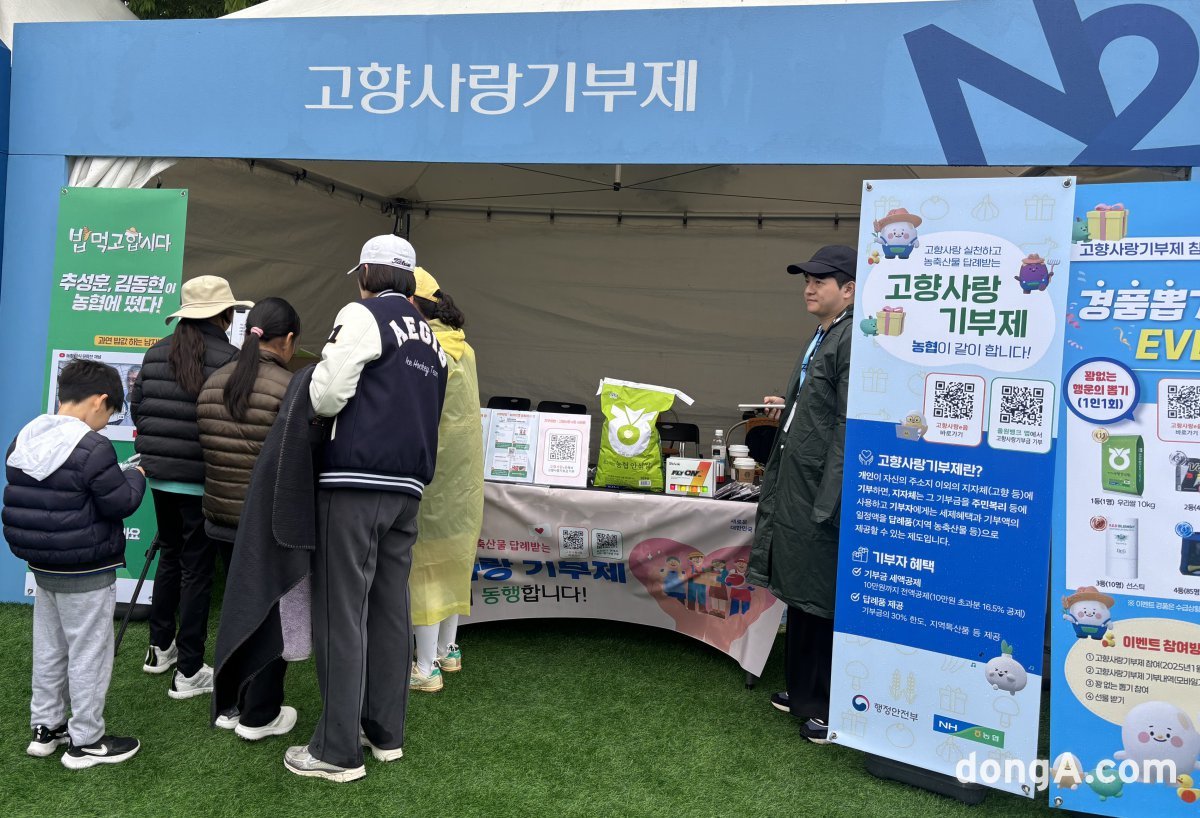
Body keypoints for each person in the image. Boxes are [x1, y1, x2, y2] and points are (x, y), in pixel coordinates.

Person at [285, 235, 447, 782]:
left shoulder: (362, 314)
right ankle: (385, 734)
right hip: (409, 488)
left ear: (367, 275)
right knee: (390, 609)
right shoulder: (433, 338)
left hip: (354, 482)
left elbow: (327, 394)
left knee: (341, 611)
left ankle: (337, 750)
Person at [3, 360, 147, 767]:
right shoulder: (92, 447)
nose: (106, 423)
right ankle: (86, 740)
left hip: (42, 566)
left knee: (50, 648)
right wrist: (136, 474)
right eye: (110, 413)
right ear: (100, 400)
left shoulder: (25, 437)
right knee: (89, 654)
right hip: (87, 568)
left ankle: (45, 728)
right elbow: (121, 502)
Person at [746, 244, 855, 745]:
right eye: (806, 280)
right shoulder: (826, 332)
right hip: (800, 481)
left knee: (821, 594)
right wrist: (788, 404)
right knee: (802, 590)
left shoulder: (851, 337)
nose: (809, 288)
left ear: (848, 289)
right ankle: (803, 689)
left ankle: (829, 704)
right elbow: (821, 404)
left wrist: (830, 497)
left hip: (819, 487)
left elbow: (847, 424)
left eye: (820, 281)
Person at [131, 275, 252, 699]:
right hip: (204, 480)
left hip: (158, 477)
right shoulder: (231, 358)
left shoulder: (154, 353)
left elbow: (138, 408)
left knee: (170, 556)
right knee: (197, 571)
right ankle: (188, 671)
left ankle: (159, 648)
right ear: (225, 315)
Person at [196, 298, 300, 739]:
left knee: (238, 610)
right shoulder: (289, 388)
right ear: (288, 340)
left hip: (219, 519)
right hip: (265, 525)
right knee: (269, 617)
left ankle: (230, 704)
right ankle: (260, 714)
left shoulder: (213, 382)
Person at [407, 267, 483, 693]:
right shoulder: (464, 348)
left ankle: (425, 668)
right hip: (465, 481)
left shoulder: (424, 348)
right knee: (454, 563)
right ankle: (447, 651)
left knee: (424, 570)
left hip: (434, 477)